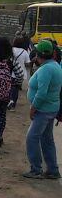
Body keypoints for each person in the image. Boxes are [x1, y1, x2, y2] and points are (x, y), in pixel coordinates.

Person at [23, 40, 61, 179]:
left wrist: (33, 108)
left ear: (39, 54)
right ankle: (52, 169)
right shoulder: (55, 65)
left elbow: (42, 92)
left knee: (32, 138)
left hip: (43, 109)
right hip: (51, 108)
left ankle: (36, 169)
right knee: (47, 138)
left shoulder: (46, 69)